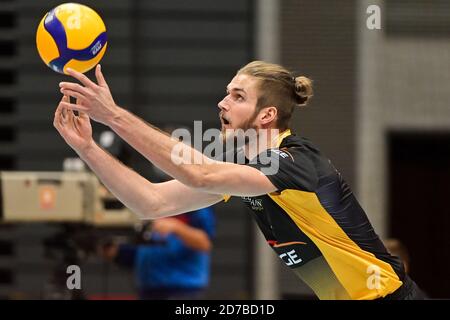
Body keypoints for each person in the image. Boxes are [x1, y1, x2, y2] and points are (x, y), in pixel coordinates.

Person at [54, 61, 425, 300]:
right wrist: (88, 148)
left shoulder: (295, 161)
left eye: (237, 96)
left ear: (266, 115)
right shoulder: (244, 169)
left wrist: (114, 116)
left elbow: (197, 172)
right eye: (226, 92)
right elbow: (151, 202)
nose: (222, 103)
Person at [101, 207, 215, 300]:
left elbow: (204, 242)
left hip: (183, 289)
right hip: (148, 289)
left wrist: (176, 227)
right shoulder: (146, 201)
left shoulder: (195, 204)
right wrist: (114, 251)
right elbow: (138, 252)